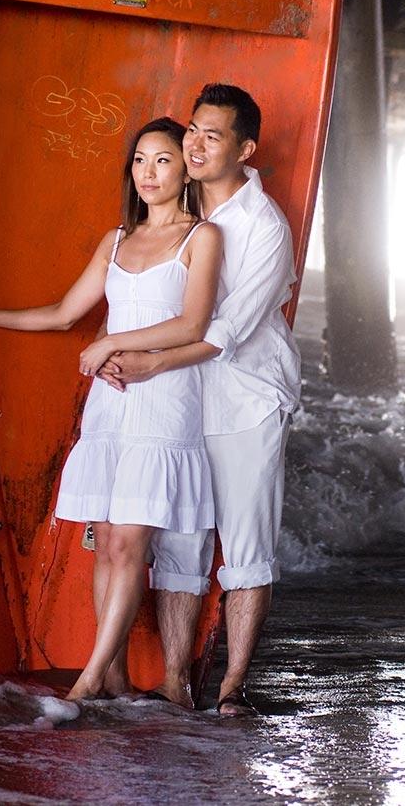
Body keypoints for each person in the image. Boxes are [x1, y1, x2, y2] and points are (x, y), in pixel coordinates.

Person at [0, 117, 224, 702]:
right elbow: (62, 312)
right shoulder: (116, 239)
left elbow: (193, 323)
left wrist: (112, 343)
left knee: (130, 544)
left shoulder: (200, 237)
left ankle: (82, 683)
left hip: (163, 402)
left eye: (161, 160)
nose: (148, 173)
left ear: (184, 169)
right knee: (106, 544)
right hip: (110, 407)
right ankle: (113, 680)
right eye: (138, 161)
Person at [100, 84, 298, 716]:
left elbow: (225, 331)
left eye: (213, 135)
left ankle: (233, 686)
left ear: (245, 149)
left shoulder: (263, 227)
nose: (195, 143)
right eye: (192, 129)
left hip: (245, 401)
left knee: (245, 547)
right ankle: (175, 682)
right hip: (182, 400)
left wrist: (146, 359)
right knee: (181, 545)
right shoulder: (177, 217)